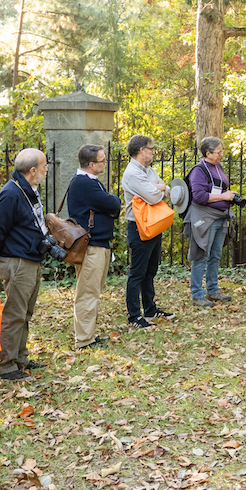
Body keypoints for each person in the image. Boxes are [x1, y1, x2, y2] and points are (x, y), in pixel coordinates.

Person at [0, 148, 50, 381]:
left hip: (31, 258)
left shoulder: (28, 190)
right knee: (15, 314)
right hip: (18, 260)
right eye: (44, 166)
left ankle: (21, 358)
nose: (46, 170)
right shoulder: (11, 193)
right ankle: (7, 366)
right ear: (33, 170)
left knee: (26, 312)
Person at [65, 144, 122, 349]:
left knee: (93, 292)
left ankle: (89, 335)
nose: (105, 163)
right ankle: (84, 340)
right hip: (92, 245)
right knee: (87, 293)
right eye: (102, 160)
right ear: (91, 164)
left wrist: (109, 205)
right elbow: (113, 204)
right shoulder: (83, 183)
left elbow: (109, 205)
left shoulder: (90, 181)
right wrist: (112, 203)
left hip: (99, 244)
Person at [120, 135, 176, 329]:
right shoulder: (132, 173)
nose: (153, 152)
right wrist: (158, 188)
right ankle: (134, 315)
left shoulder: (147, 170)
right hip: (139, 226)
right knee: (138, 272)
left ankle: (150, 309)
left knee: (151, 269)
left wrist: (158, 188)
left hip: (154, 223)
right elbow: (154, 196)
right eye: (151, 149)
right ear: (141, 150)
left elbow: (164, 188)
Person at [184, 136, 238, 308]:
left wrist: (229, 195)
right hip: (204, 218)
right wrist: (223, 196)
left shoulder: (218, 167)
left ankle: (213, 290)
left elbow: (219, 188)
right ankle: (197, 294)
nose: (222, 154)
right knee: (201, 256)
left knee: (215, 256)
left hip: (220, 216)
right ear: (208, 153)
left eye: (222, 151)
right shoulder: (199, 170)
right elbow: (199, 196)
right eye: (218, 152)